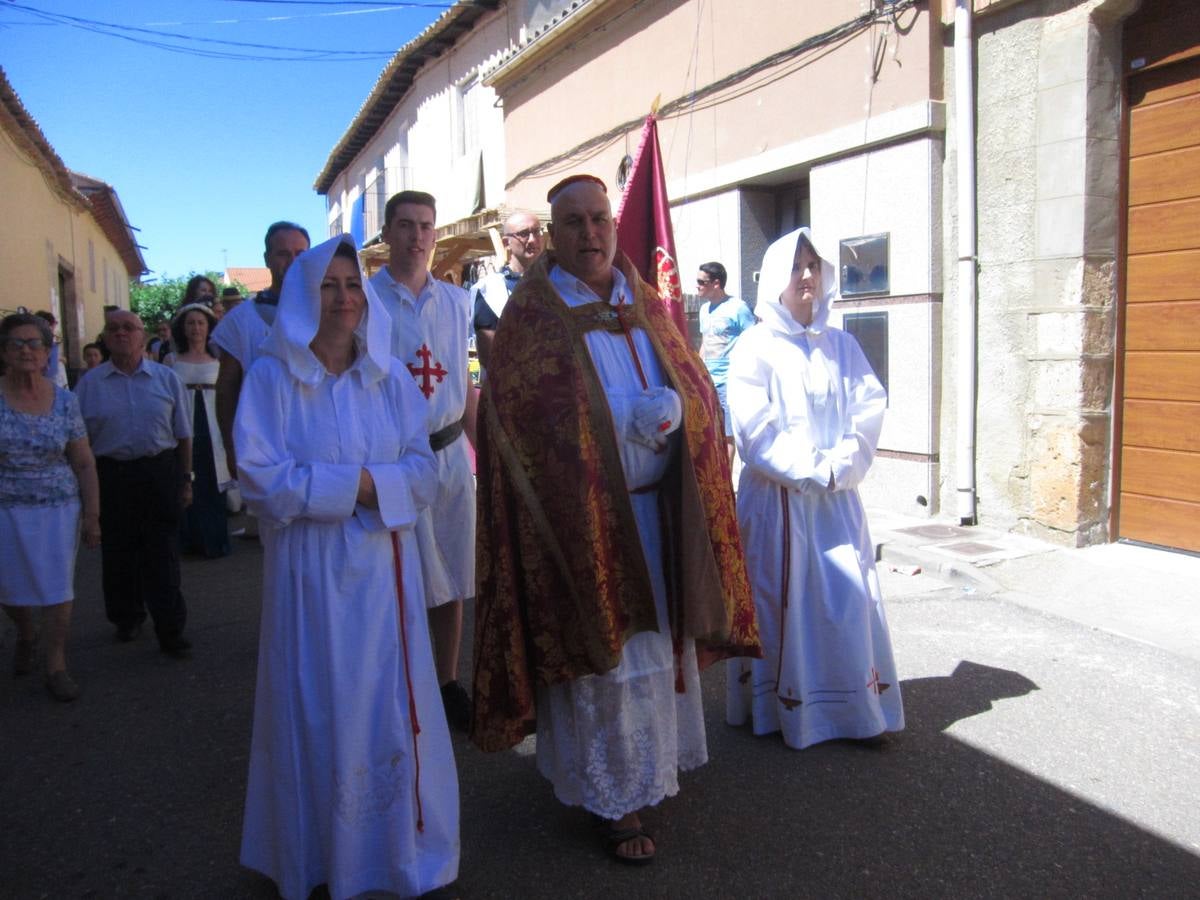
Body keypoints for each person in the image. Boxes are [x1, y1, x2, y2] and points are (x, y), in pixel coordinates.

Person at [472, 174, 760, 865]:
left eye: (599, 218)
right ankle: (614, 797)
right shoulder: (533, 317)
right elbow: (522, 423)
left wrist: (680, 409)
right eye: (573, 222)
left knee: (656, 649)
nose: (591, 233)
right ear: (552, 235)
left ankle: (652, 765)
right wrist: (614, 423)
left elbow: (696, 386)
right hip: (587, 522)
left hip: (662, 510)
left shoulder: (646, 301)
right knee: (607, 660)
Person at [235, 235, 458, 899]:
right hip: (308, 573)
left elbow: (423, 472)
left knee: (383, 703)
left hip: (383, 569)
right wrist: (358, 485)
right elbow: (258, 477)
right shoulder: (273, 378)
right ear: (304, 296)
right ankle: (318, 858)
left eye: (353, 284)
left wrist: (358, 486)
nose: (343, 298)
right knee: (316, 702)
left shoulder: (389, 379)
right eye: (328, 286)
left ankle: (391, 853)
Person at [725, 228, 904, 749]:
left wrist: (840, 467)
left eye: (813, 266)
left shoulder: (842, 345)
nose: (807, 276)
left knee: (847, 599)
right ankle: (781, 712)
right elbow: (753, 429)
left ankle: (854, 711)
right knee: (782, 601)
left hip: (835, 501)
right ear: (775, 278)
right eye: (796, 266)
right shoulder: (754, 346)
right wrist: (810, 470)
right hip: (778, 502)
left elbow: (869, 407)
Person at [370, 191, 477, 732]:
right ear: (388, 232)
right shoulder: (367, 301)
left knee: (453, 574)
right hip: (395, 461)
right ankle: (400, 686)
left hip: (451, 454)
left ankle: (446, 681)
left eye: (426, 226)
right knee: (398, 575)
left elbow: (465, 388)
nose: (417, 236)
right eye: (406, 225)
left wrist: (486, 456)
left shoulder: (456, 303)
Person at [75, 310, 194, 658]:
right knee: (118, 554)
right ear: (105, 338)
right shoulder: (89, 385)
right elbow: (79, 443)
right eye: (114, 329)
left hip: (159, 472)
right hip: (112, 476)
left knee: (163, 554)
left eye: (129, 328)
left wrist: (186, 480)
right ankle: (126, 618)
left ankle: (170, 628)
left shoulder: (166, 379)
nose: (121, 333)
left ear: (143, 336)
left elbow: (184, 435)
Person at [0, 313, 101, 701]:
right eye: (17, 343)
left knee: (57, 585)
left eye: (35, 344)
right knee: (7, 587)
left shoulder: (65, 401)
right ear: (4, 352)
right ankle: (27, 632)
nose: (26, 351)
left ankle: (55, 665)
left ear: (47, 353)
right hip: (6, 508)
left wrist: (92, 515)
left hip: (57, 509)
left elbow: (84, 461)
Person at [213, 222, 310, 502]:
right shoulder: (240, 321)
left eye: (300, 254)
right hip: (267, 448)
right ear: (267, 259)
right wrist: (231, 448)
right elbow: (227, 389)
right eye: (283, 253)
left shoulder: (328, 313)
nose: (292, 261)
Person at [166, 304, 230, 558]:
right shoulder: (172, 361)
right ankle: (190, 541)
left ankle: (215, 540)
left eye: (201, 323)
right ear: (183, 328)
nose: (196, 328)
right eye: (190, 323)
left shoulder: (219, 360)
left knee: (212, 482)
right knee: (187, 479)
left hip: (213, 427)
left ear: (208, 328)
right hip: (185, 426)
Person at [695, 262, 755, 465]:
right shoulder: (704, 310)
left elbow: (753, 340)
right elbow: (705, 342)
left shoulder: (738, 308)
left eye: (701, 282)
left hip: (729, 381)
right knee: (712, 433)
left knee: (728, 435)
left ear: (716, 283)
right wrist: (697, 371)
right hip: (708, 381)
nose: (697, 286)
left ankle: (726, 481)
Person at [471, 210, 545, 371]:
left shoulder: (560, 282)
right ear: (506, 242)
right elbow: (490, 357)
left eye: (537, 231)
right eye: (524, 234)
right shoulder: (489, 290)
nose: (533, 239)